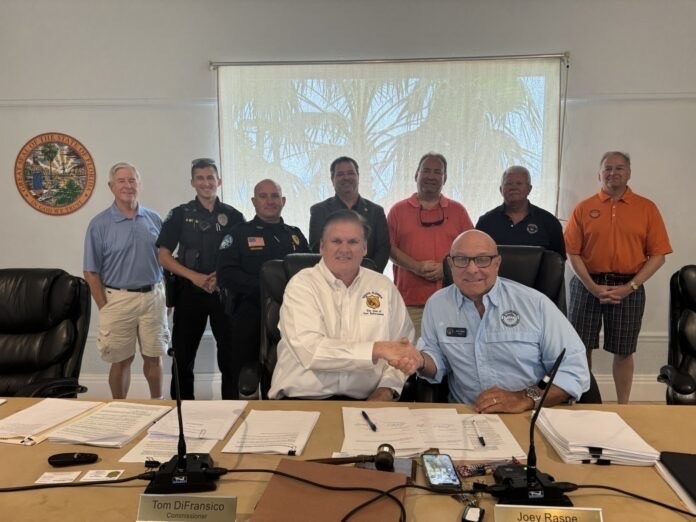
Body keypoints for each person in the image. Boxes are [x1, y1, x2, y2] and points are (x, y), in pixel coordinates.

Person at [406, 230, 589, 413]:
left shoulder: (535, 304)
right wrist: (420, 360)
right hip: (467, 413)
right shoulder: (437, 304)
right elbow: (437, 360)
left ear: (497, 263)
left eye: (482, 259)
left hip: (528, 413)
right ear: (450, 264)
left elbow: (573, 369)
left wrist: (524, 398)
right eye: (461, 259)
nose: (471, 269)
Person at [268, 210, 416, 400]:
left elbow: (402, 347)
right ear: (322, 246)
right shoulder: (302, 285)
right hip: (303, 400)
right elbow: (311, 352)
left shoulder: (384, 287)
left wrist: (387, 389)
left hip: (369, 401)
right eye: (336, 241)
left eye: (353, 242)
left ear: (364, 248)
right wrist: (376, 349)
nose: (344, 249)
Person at [564, 151, 672, 404]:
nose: (613, 173)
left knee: (624, 350)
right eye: (608, 168)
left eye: (619, 168)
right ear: (599, 174)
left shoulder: (646, 208)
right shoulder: (584, 208)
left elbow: (658, 255)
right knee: (582, 347)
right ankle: (584, 400)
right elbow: (572, 252)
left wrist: (630, 286)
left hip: (629, 287)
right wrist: (591, 286)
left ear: (629, 173)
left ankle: (624, 406)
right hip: (587, 284)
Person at [157, 158, 245, 400]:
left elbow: (242, 255)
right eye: (200, 178)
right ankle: (184, 412)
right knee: (183, 359)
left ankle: (232, 410)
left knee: (230, 358)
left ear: (219, 181)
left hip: (223, 293)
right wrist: (193, 276)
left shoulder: (234, 216)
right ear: (192, 182)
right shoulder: (179, 214)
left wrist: (222, 275)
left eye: (210, 178)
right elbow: (163, 256)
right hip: (188, 292)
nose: (206, 183)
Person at [83, 162, 169, 399]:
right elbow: (91, 272)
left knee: (154, 356)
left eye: (132, 180)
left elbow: (165, 261)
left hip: (153, 297)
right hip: (117, 299)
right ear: (111, 186)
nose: (127, 186)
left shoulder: (153, 219)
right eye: (121, 181)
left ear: (139, 185)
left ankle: (158, 405)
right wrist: (105, 307)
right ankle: (120, 408)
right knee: (121, 360)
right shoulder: (99, 224)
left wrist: (167, 299)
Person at [217, 179, 309, 398]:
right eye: (263, 196)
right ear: (254, 201)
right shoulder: (238, 234)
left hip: (292, 315)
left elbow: (310, 273)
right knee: (242, 372)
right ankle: (236, 417)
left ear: (283, 201)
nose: (270, 201)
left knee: (285, 367)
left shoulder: (294, 235)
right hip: (249, 313)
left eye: (275, 196)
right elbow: (226, 275)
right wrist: (268, 288)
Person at [387, 152, 474, 337]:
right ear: (416, 175)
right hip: (410, 303)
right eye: (426, 170)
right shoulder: (397, 210)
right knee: (411, 358)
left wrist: (446, 270)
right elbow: (389, 249)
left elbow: (471, 249)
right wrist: (416, 267)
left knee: (452, 356)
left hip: (453, 300)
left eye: (437, 172)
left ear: (445, 178)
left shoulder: (458, 211)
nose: (431, 176)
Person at [308, 156, 390, 272]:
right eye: (340, 174)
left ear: (358, 177)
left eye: (351, 173)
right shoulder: (319, 210)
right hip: (330, 280)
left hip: (368, 280)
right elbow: (317, 248)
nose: (346, 177)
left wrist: (369, 276)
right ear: (332, 179)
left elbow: (383, 249)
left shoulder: (376, 211)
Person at [476, 165, 565, 258]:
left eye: (519, 183)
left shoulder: (549, 222)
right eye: (508, 183)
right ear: (501, 189)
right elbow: (476, 258)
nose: (513, 187)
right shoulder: (486, 222)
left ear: (529, 189)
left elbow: (558, 262)